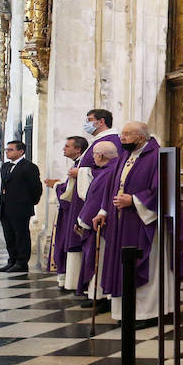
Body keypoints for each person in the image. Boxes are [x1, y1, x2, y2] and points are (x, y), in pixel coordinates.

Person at [88, 122, 169, 326]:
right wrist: (103, 210)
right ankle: (125, 312)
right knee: (122, 265)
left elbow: (162, 190)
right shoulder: (126, 156)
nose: (122, 138)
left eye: (126, 135)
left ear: (141, 137)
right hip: (120, 221)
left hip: (144, 222)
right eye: (122, 134)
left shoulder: (157, 157)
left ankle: (146, 314)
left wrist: (134, 200)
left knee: (142, 265)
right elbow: (113, 186)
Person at [62, 109, 123, 294]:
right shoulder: (98, 141)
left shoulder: (111, 141)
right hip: (88, 199)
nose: (86, 123)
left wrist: (79, 172)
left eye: (89, 120)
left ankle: (96, 291)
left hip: (95, 203)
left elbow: (108, 171)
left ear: (101, 122)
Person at [73, 141, 120, 309]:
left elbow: (96, 200)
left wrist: (82, 221)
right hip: (102, 222)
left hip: (101, 225)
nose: (93, 158)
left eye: (94, 155)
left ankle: (101, 296)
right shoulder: (109, 170)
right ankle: (97, 295)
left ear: (100, 156)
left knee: (99, 260)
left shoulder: (107, 173)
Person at [0, 140, 43, 273]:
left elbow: (36, 188)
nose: (7, 152)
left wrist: (29, 202)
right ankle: (12, 260)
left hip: (21, 208)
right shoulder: (5, 166)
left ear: (21, 151)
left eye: (11, 149)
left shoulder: (29, 167)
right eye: (7, 149)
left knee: (21, 236)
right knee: (9, 236)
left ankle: (22, 262)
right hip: (5, 207)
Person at [44, 136, 87, 283]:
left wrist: (56, 185)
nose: (64, 148)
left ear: (78, 149)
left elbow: (74, 192)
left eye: (67, 146)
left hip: (76, 211)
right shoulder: (77, 164)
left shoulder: (83, 165)